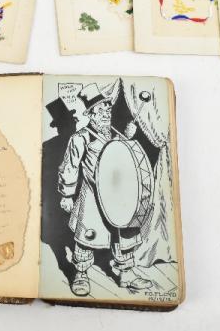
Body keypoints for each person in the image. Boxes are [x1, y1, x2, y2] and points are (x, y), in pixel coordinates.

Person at [58, 83, 153, 296]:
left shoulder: (116, 135)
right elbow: (70, 166)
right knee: (87, 235)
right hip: (91, 196)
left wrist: (127, 138)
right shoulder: (80, 138)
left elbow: (124, 157)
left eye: (107, 109)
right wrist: (67, 194)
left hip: (116, 195)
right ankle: (81, 273)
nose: (106, 113)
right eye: (100, 110)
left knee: (123, 233)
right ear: (91, 114)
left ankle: (126, 273)